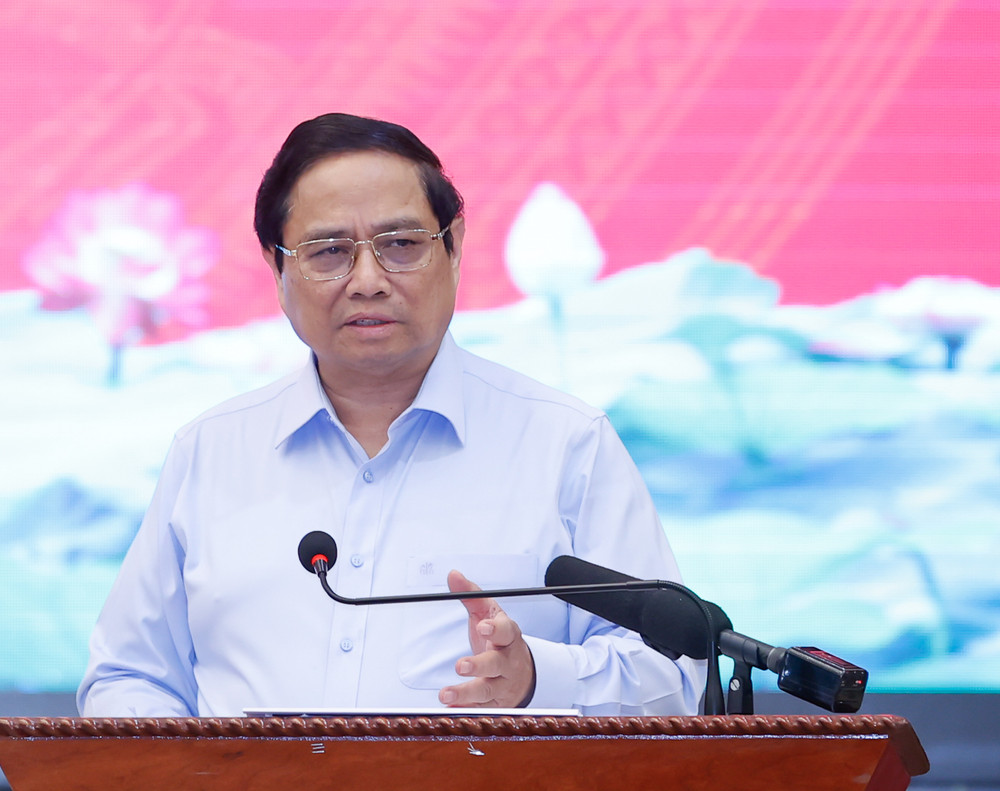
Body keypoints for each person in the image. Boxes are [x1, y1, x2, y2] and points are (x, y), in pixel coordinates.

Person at [77, 113, 704, 717]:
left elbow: (673, 679)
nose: (368, 280)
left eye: (401, 245)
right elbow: (128, 676)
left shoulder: (567, 445)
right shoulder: (211, 451)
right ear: (277, 267)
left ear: (454, 247)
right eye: (328, 251)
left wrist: (538, 679)